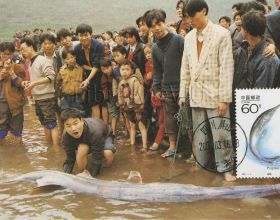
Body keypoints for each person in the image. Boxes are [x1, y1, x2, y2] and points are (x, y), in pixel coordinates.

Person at [179, 0, 236, 181]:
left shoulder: (222, 34)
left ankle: (226, 168)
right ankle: (202, 165)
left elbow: (227, 68)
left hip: (215, 94)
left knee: (221, 134)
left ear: (203, 11)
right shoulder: (188, 38)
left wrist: (224, 99)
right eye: (186, 17)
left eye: (192, 16)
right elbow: (185, 68)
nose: (189, 21)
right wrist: (182, 93)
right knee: (200, 135)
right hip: (196, 94)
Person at [145, 9, 185, 158]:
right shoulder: (155, 47)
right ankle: (172, 147)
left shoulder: (179, 40)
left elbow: (188, 65)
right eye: (153, 25)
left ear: (164, 23)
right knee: (169, 120)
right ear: (149, 28)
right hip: (166, 88)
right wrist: (156, 88)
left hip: (182, 87)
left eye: (159, 24)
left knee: (187, 120)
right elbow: (157, 70)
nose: (157, 28)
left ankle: (194, 152)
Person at [20, 38, 59, 146]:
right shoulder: (31, 62)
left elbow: (51, 76)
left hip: (46, 97)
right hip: (38, 97)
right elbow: (38, 78)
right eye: (20, 50)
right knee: (45, 124)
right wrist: (29, 82)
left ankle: (55, 150)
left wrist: (34, 84)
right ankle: (49, 148)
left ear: (31, 47)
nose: (22, 52)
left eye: (23, 49)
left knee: (52, 124)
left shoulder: (41, 59)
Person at [61, 108, 116, 177]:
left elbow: (97, 159)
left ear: (82, 121)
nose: (73, 128)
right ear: (64, 126)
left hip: (105, 136)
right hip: (87, 140)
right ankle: (83, 172)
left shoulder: (95, 132)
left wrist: (93, 178)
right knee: (82, 149)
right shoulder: (65, 136)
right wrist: (64, 176)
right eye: (68, 126)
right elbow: (70, 159)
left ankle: (107, 169)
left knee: (108, 153)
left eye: (75, 123)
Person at [233, 10, 280, 89]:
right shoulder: (241, 50)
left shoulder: (268, 60)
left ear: (246, 29)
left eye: (242, 26)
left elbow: (261, 97)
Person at [74, 24, 105, 118]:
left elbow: (97, 64)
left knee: (102, 103)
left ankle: (102, 127)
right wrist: (88, 76)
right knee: (91, 103)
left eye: (86, 35)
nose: (83, 38)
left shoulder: (98, 46)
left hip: (100, 77)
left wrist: (88, 79)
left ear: (91, 34)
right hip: (88, 76)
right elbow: (81, 64)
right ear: (77, 36)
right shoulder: (77, 48)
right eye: (81, 35)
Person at [118, 60, 147, 152]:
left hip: (138, 107)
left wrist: (139, 108)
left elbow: (139, 94)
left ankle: (145, 146)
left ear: (132, 71)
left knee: (142, 126)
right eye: (122, 69)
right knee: (132, 126)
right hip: (128, 107)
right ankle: (132, 144)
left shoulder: (135, 80)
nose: (125, 71)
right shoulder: (121, 82)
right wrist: (121, 104)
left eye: (127, 69)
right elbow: (120, 95)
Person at [0, 42, 25, 144]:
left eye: (9, 54)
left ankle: (18, 156)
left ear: (13, 54)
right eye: (4, 53)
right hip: (1, 103)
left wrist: (12, 74)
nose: (6, 56)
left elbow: (22, 84)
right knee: (1, 128)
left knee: (17, 130)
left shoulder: (19, 67)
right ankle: (5, 156)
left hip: (15, 102)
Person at [56, 49, 85, 115]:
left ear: (75, 57)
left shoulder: (80, 69)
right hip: (65, 97)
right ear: (64, 60)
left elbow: (84, 82)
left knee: (79, 114)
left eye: (72, 57)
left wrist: (84, 94)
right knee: (65, 115)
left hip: (78, 96)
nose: (70, 60)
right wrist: (58, 98)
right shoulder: (61, 71)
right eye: (67, 58)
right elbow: (57, 85)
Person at [99, 58, 120, 134]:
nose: (106, 70)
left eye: (107, 68)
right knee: (113, 114)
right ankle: (113, 132)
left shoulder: (116, 74)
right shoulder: (103, 76)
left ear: (111, 66)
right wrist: (106, 98)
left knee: (120, 115)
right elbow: (104, 87)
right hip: (110, 97)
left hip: (119, 96)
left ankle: (115, 131)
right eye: (103, 69)